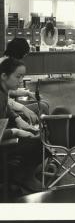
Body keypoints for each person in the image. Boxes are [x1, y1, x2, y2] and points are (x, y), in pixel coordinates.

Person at [0, 58, 42, 190]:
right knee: (38, 140)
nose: (20, 81)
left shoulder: (3, 91)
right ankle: (22, 175)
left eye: (22, 76)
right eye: (18, 76)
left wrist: (18, 119)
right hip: (2, 140)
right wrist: (16, 132)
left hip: (3, 131)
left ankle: (23, 171)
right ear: (4, 76)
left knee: (36, 133)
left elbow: (6, 108)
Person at [0, 38, 49, 124]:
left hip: (9, 106)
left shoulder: (7, 62)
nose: (24, 57)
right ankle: (44, 133)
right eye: (24, 54)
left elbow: (9, 91)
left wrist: (27, 93)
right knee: (43, 106)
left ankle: (42, 131)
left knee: (44, 104)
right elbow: (5, 101)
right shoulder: (5, 65)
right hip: (7, 111)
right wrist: (23, 108)